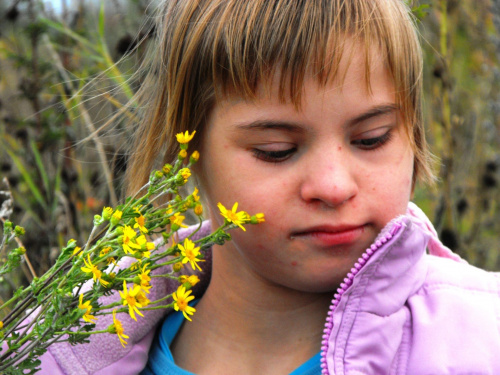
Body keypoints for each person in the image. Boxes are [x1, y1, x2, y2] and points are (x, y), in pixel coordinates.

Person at [38, 0, 500, 374]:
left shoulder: (481, 339)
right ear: (188, 152)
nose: (334, 186)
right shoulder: (54, 352)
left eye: (370, 139)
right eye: (277, 150)